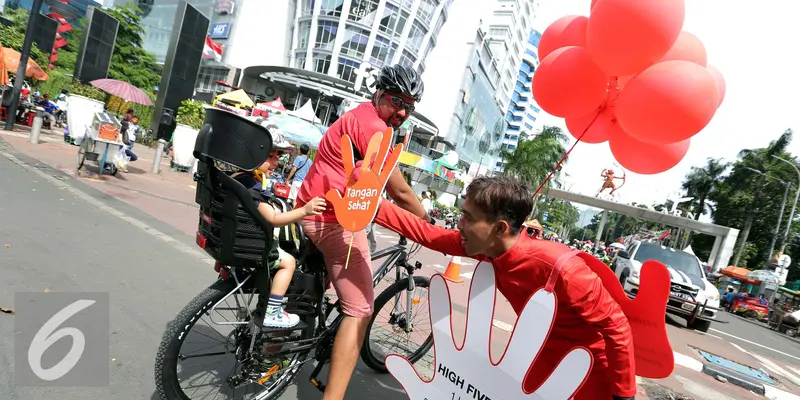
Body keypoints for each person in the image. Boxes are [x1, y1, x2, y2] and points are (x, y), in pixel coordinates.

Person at [373, 176, 636, 400]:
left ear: (500, 228)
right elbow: (429, 235)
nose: (459, 225)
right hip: (535, 360)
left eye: (467, 217)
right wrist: (370, 203)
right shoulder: (488, 249)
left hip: (588, 374)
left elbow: (617, 327)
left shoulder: (564, 270)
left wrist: (624, 395)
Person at [294, 64, 431, 399]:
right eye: (396, 101)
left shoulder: (357, 116)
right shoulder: (376, 130)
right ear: (378, 93)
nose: (401, 111)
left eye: (409, 107)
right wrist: (425, 222)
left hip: (309, 210)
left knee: (321, 278)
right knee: (361, 310)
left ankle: (290, 338)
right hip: (333, 221)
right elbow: (399, 192)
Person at [233, 131, 327, 328]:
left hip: (233, 236)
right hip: (252, 243)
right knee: (289, 263)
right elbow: (274, 219)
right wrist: (304, 210)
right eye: (270, 156)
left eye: (278, 156)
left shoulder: (236, 178)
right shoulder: (252, 187)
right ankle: (273, 311)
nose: (276, 162)